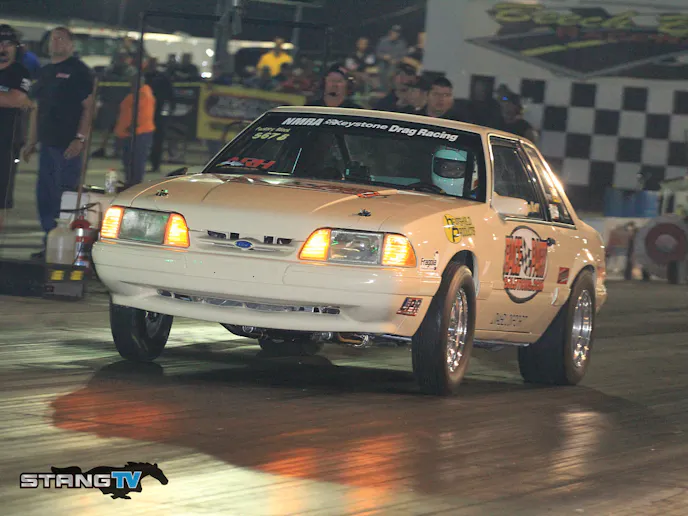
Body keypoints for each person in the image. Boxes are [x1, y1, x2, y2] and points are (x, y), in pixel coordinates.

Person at [22, 27, 95, 260]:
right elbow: (36, 108)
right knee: (45, 197)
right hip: (47, 145)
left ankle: (66, 248)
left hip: (68, 147)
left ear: (71, 44)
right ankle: (50, 243)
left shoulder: (79, 71)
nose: (56, 43)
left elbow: (89, 107)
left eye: (61, 39)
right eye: (53, 39)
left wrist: (80, 138)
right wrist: (31, 141)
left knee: (64, 197)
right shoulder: (45, 72)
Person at [0, 25, 32, 232]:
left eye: (8, 44)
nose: (3, 48)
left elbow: (16, 99)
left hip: (5, 144)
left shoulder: (19, 72)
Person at [114, 74, 156, 186]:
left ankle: (134, 184)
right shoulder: (136, 94)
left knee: (136, 160)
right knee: (129, 160)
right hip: (130, 133)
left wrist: (133, 125)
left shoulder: (143, 94)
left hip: (138, 133)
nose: (131, 84)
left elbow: (144, 114)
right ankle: (130, 182)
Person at [145, 57, 175, 173]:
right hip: (146, 113)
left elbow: (170, 95)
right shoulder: (145, 77)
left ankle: (155, 164)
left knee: (157, 140)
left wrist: (169, 109)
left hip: (158, 113)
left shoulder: (162, 78)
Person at [375, 25, 407, 92]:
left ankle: (389, 90)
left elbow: (403, 57)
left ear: (399, 34)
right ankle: (383, 89)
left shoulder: (402, 43)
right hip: (384, 63)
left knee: (391, 71)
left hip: (396, 64)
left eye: (397, 33)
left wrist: (396, 61)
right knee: (382, 69)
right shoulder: (383, 41)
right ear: (390, 32)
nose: (395, 34)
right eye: (394, 32)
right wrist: (384, 56)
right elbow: (377, 53)